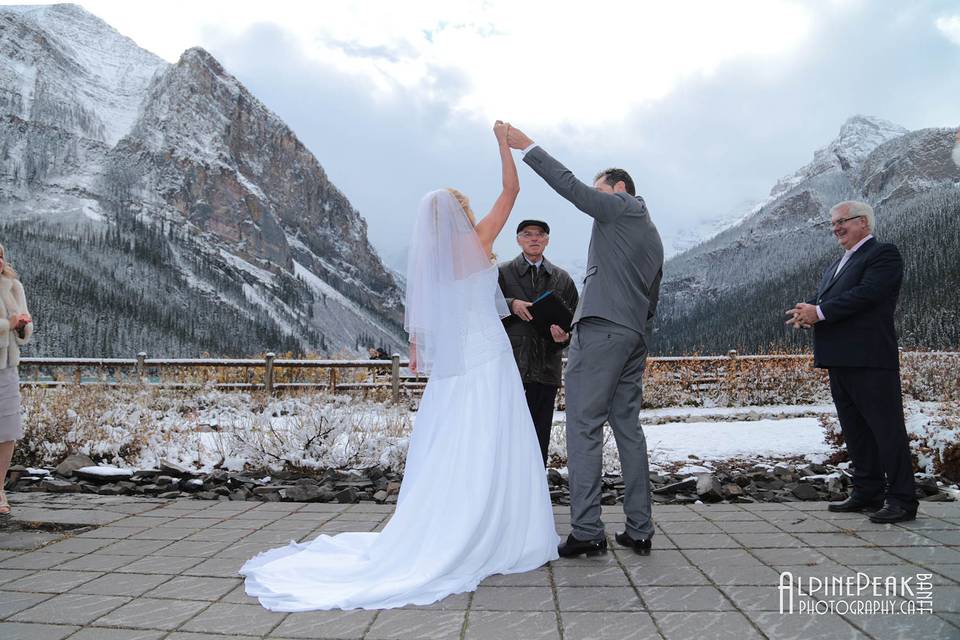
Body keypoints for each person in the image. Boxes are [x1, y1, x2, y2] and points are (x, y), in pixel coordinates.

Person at [241, 122, 558, 611]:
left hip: (455, 366)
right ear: (461, 214)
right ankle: (503, 530)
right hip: (489, 357)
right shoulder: (478, 242)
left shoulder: (431, 264)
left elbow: (426, 322)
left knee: (455, 442)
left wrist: (416, 344)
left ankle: (454, 523)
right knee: (497, 438)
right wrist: (503, 143)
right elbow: (512, 190)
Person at [505, 125, 664, 558]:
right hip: (631, 337)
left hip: (604, 333)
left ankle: (588, 530)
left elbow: (572, 189)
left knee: (582, 427)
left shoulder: (622, 207)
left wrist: (528, 148)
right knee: (628, 428)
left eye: (602, 193)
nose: (597, 201)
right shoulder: (651, 236)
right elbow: (648, 298)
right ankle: (639, 528)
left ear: (618, 189)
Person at [787, 201, 918, 524]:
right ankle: (867, 491)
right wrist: (811, 313)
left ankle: (902, 499)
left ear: (863, 222)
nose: (835, 228)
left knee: (886, 430)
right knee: (856, 430)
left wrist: (820, 312)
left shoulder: (883, 254)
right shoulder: (837, 264)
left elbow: (869, 294)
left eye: (841, 222)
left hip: (871, 358)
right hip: (840, 359)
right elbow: (834, 303)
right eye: (832, 223)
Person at [498, 219, 579, 466]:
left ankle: (535, 495)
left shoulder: (562, 279)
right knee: (506, 433)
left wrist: (565, 338)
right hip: (510, 368)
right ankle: (506, 492)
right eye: (527, 234)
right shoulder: (501, 273)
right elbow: (481, 311)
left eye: (540, 235)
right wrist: (511, 303)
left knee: (539, 434)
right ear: (518, 240)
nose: (534, 239)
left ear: (547, 240)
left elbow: (578, 321)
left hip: (546, 369)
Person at [0, 243, 33, 516]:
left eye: (0, 256)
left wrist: (22, 327)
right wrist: (6, 325)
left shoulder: (14, 287)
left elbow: (25, 329)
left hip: (7, 366)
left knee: (7, 431)